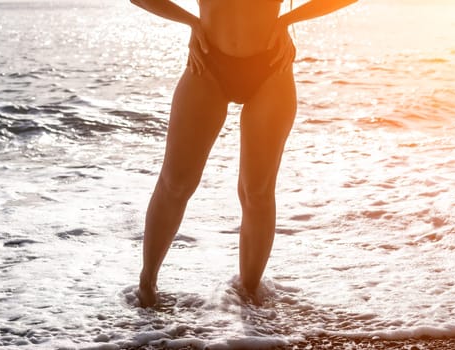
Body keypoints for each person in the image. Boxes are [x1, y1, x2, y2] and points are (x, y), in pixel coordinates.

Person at [129, 0, 358, 307]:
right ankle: (147, 287)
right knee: (175, 183)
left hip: (271, 67)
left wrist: (286, 20)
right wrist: (192, 22)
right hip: (207, 63)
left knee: (257, 192)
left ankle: (249, 300)